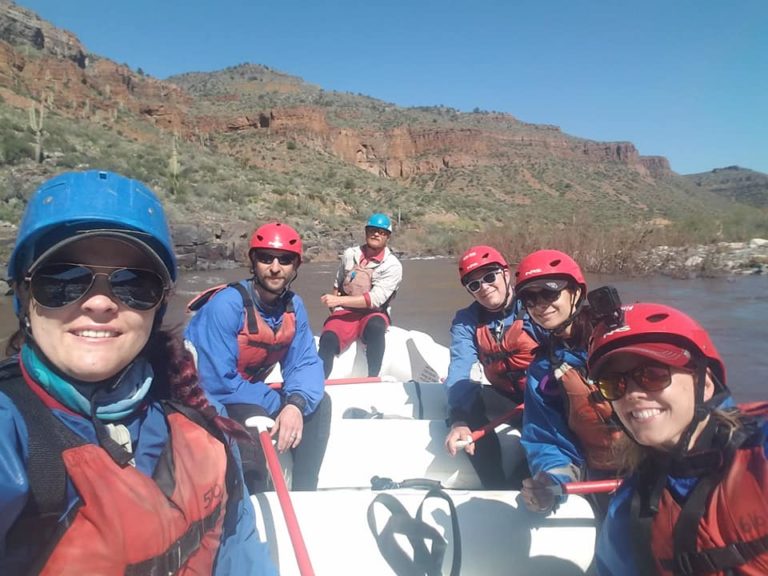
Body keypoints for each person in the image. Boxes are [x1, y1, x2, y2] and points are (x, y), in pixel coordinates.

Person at [0, 170, 275, 575]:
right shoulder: (12, 435)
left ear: (157, 307)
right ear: (24, 295)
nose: (99, 303)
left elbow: (241, 555)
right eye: (61, 280)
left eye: (134, 284)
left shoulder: (202, 425)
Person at [588, 302, 767, 576]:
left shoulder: (761, 449)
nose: (632, 394)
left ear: (705, 384)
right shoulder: (626, 512)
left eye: (653, 374)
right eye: (614, 384)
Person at [185, 222, 331, 492]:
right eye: (266, 258)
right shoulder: (226, 305)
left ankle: (304, 492)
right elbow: (217, 382)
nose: (275, 267)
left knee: (318, 405)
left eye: (285, 260)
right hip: (208, 397)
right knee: (251, 425)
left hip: (245, 391)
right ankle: (251, 498)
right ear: (253, 261)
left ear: (295, 267)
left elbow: (305, 363)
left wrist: (295, 404)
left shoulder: (293, 306)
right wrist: (276, 400)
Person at [515, 249, 623, 515]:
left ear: (576, 293)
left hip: (659, 468)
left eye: (550, 293)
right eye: (530, 297)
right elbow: (547, 439)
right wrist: (552, 480)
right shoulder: (543, 370)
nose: (541, 304)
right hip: (602, 479)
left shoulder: (620, 338)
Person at [443, 245, 540, 489]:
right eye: (474, 285)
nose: (484, 287)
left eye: (489, 277)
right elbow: (461, 366)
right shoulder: (467, 321)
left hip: (544, 400)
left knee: (533, 465)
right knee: (467, 399)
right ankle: (494, 486)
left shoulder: (536, 306)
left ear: (506, 273)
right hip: (508, 397)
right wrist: (459, 418)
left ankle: (524, 477)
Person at [318, 212, 403, 378]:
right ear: (366, 232)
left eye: (382, 232)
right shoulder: (350, 254)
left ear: (388, 236)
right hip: (345, 311)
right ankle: (318, 385)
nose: (376, 234)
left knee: (376, 327)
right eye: (372, 230)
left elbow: (374, 300)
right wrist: (335, 309)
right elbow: (338, 282)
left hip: (373, 312)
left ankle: (372, 377)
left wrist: (337, 300)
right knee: (327, 339)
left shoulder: (393, 266)